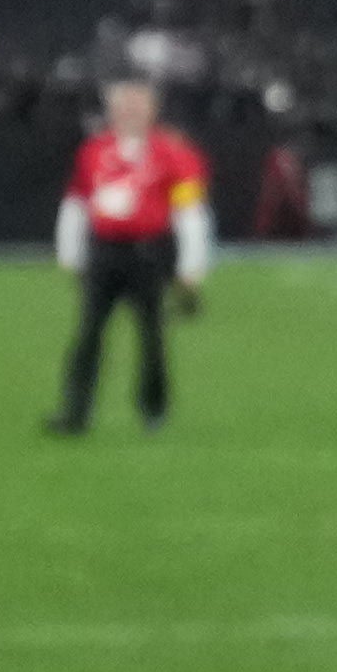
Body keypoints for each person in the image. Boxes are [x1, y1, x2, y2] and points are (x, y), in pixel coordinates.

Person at [48, 70, 208, 427]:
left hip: (148, 253)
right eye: (123, 104)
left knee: (152, 334)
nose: (130, 111)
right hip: (104, 252)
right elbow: (76, 202)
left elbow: (190, 213)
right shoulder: (94, 151)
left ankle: (154, 407)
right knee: (89, 332)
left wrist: (190, 267)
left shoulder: (174, 154)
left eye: (138, 104)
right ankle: (75, 412)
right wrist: (70, 252)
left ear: (153, 109)